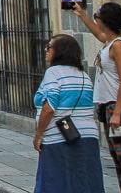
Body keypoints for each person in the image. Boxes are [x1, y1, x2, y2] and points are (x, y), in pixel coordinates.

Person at [72, 2, 121, 193]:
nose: (96, 18)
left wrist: (117, 112)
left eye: (97, 16)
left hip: (118, 105)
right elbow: (98, 34)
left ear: (106, 20)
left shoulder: (119, 45)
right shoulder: (110, 41)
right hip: (108, 104)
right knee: (117, 155)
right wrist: (82, 15)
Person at [32, 34, 104, 193]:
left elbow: (50, 106)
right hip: (88, 136)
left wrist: (38, 135)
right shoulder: (84, 75)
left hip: (58, 137)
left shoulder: (53, 73)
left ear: (59, 51)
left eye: (49, 47)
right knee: (84, 181)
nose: (46, 50)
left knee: (55, 182)